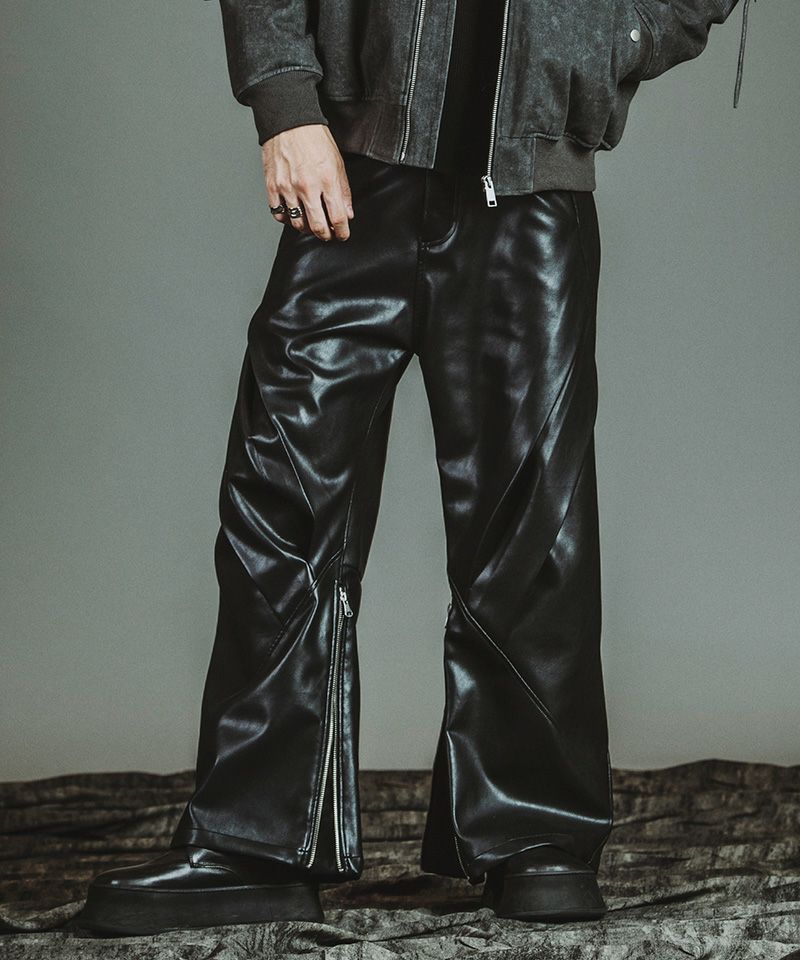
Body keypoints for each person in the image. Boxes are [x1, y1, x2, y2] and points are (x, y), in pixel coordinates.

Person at [77, 0, 755, 936]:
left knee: (531, 526)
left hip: (530, 189)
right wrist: (285, 104)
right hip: (358, 168)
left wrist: (615, 41)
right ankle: (254, 843)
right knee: (281, 498)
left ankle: (537, 836)